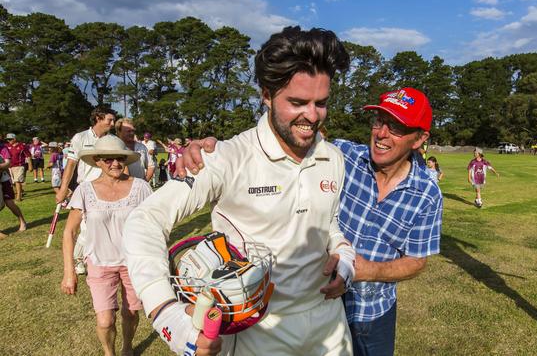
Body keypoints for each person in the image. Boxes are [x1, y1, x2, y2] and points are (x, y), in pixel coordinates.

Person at [122, 26, 354, 356]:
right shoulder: (227, 157)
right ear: (266, 94)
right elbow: (145, 219)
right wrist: (167, 314)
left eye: (321, 103)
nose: (312, 116)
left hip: (330, 326)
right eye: (298, 102)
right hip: (257, 331)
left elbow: (327, 225)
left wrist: (344, 257)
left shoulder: (333, 157)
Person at [179, 87, 443, 356]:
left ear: (419, 138)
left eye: (396, 127)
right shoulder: (341, 155)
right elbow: (279, 137)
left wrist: (367, 270)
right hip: (316, 303)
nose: (381, 133)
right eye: (379, 121)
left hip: (372, 312)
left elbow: (417, 260)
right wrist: (213, 148)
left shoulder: (427, 194)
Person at [60, 135, 150, 356]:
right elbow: (69, 232)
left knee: (131, 313)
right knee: (105, 319)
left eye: (119, 158)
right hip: (100, 263)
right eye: (108, 159)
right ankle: (109, 353)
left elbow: (154, 225)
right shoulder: (85, 190)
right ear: (98, 161)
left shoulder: (140, 187)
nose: (115, 164)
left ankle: (127, 348)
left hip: (133, 263)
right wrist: (68, 272)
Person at [57, 106, 117, 275]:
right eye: (109, 120)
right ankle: (78, 259)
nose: (112, 124)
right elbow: (71, 165)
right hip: (87, 188)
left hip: (108, 187)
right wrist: (63, 189)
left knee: (104, 225)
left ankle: (98, 256)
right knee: (86, 229)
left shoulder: (112, 139)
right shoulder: (80, 137)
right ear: (98, 118)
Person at [0, 139, 27, 238]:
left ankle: (22, 221)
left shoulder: (3, 148)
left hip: (4, 177)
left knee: (9, 203)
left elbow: (8, 163)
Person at [6, 133, 31, 201]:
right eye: (7, 139)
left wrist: (30, 165)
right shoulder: (7, 146)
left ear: (14, 139)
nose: (8, 141)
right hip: (9, 166)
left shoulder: (22, 146)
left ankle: (19, 196)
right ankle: (20, 191)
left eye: (10, 139)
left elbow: (28, 156)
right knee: (12, 182)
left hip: (19, 166)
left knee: (17, 181)